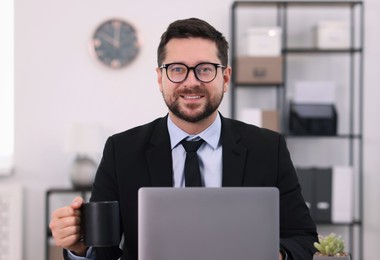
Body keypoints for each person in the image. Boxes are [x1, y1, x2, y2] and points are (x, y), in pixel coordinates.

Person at [49, 17, 318, 260]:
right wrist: (79, 247)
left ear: (225, 78)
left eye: (205, 69)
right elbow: (103, 252)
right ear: (160, 78)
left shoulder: (268, 148)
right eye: (177, 69)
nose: (191, 82)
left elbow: (304, 239)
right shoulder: (121, 150)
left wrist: (276, 255)